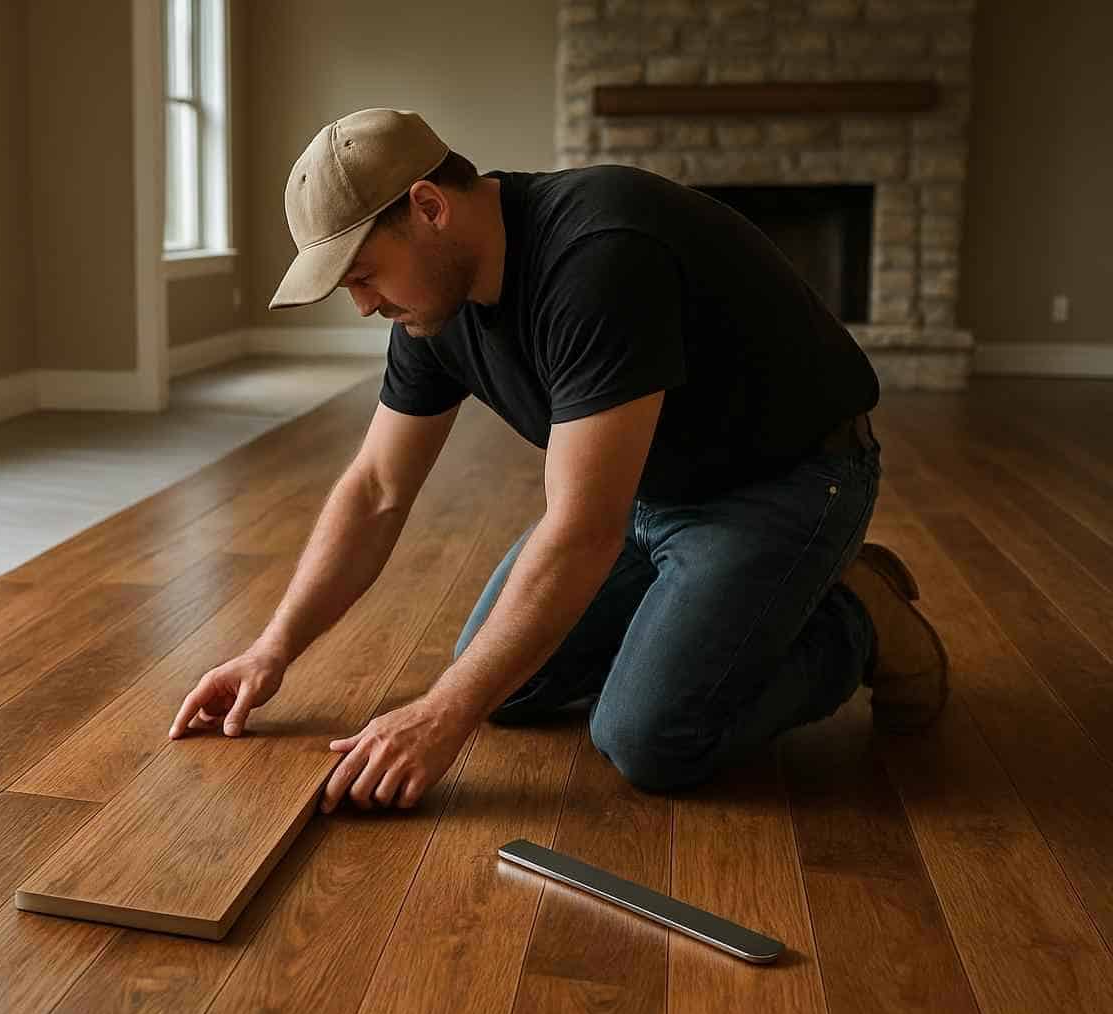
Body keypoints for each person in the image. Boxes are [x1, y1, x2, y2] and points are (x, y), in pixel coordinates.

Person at [167, 107, 949, 813]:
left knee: (649, 740)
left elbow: (580, 530)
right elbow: (375, 490)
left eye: (363, 275)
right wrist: (272, 650)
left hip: (790, 481)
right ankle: (716, 608)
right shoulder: (433, 311)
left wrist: (440, 717)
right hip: (648, 489)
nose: (365, 306)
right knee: (506, 686)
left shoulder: (599, 255)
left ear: (429, 208)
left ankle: (858, 618)